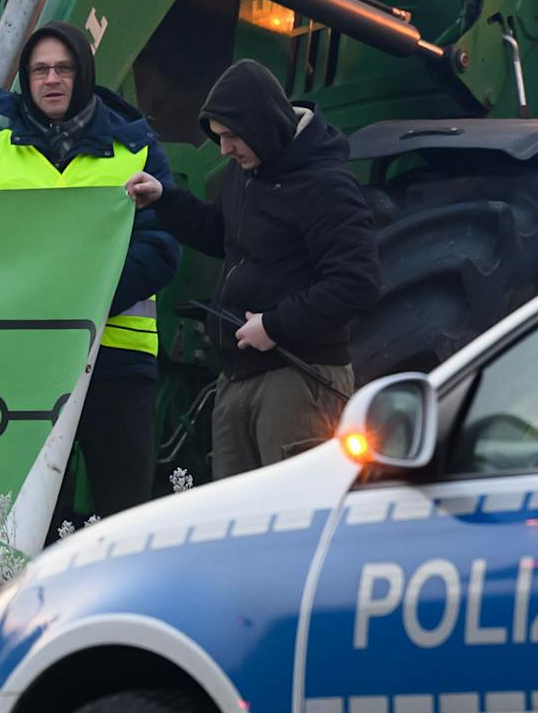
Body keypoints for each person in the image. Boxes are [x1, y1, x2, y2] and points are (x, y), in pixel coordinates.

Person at [0, 23, 180, 530]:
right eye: (39, 70)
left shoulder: (137, 153)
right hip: (20, 364)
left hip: (116, 360)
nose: (51, 79)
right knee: (15, 526)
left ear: (84, 74)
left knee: (122, 523)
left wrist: (81, 298)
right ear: (25, 79)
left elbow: (162, 248)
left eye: (63, 68)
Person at [126, 60, 379, 479]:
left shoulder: (327, 186)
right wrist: (165, 201)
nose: (224, 149)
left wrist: (276, 326)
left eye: (230, 137)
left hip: (298, 377)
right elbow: (221, 235)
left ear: (260, 125)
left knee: (292, 519)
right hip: (237, 377)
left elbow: (358, 282)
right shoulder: (245, 174)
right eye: (218, 138)